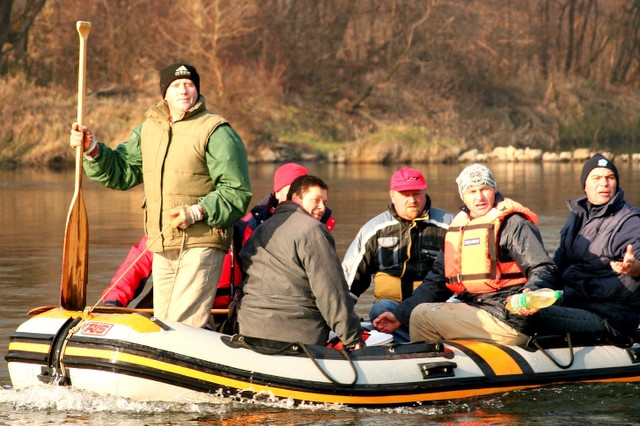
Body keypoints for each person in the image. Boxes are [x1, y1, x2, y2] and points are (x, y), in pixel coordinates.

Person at [69, 63, 252, 328]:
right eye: (176, 85)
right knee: (166, 322)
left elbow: (237, 192)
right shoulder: (149, 129)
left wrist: (196, 211)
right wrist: (92, 150)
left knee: (184, 324)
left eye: (189, 84)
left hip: (202, 241)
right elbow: (123, 172)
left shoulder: (217, 131)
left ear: (197, 90)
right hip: (163, 244)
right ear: (164, 93)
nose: (183, 90)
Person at [100, 163, 336, 311]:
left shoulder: (258, 231)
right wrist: (112, 303)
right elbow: (137, 265)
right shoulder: (248, 228)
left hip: (239, 315)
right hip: (186, 309)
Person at [373, 164, 557, 346]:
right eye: (472, 191)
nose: (479, 197)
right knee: (419, 311)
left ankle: (432, 367)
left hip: (508, 318)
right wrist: (399, 315)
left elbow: (542, 267)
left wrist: (532, 291)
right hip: (477, 309)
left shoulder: (514, 225)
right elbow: (436, 283)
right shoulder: (460, 229)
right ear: (463, 197)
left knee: (422, 315)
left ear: (494, 190)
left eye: (485, 189)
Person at [238, 175, 364, 349]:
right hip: (297, 334)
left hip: (250, 329)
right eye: (316, 200)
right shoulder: (313, 230)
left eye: (325, 203)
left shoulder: (261, 228)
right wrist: (352, 338)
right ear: (296, 197)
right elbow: (330, 291)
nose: (321, 208)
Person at [532, 154, 640, 341]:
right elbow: (559, 263)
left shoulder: (631, 220)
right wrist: (534, 290)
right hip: (574, 299)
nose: (604, 183)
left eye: (610, 177)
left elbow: (638, 259)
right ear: (585, 185)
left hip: (610, 314)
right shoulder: (577, 216)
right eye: (596, 178)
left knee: (534, 315)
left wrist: (633, 267)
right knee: (518, 304)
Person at [342, 167, 453, 341]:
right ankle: (413, 343)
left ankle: (412, 341)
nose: (412, 200)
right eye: (405, 195)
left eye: (417, 193)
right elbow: (350, 281)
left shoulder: (450, 226)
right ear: (392, 195)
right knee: (380, 310)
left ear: (425, 192)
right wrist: (339, 321)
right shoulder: (374, 229)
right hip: (389, 307)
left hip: (434, 307)